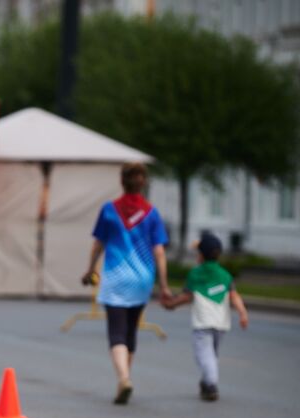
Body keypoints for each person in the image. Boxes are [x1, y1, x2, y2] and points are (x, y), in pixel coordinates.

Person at [82, 162, 170, 405]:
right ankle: (125, 377)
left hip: (115, 278)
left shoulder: (109, 210)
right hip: (142, 279)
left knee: (116, 331)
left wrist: (89, 270)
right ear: (143, 183)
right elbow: (160, 251)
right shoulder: (151, 214)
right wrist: (163, 285)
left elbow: (98, 244)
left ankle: (123, 378)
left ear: (122, 181)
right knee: (131, 330)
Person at [163, 233, 249, 401]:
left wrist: (171, 305)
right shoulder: (225, 275)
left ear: (200, 255)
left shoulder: (196, 274)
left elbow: (186, 296)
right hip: (221, 323)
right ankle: (206, 382)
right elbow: (234, 296)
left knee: (204, 355)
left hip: (202, 322)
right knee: (212, 355)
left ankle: (211, 384)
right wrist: (242, 312)